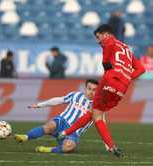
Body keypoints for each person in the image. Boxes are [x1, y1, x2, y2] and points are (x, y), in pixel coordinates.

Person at [58, 24, 145, 157]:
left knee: (96, 115)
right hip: (123, 87)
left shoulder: (109, 40)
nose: (98, 41)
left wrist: (105, 62)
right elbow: (141, 69)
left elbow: (108, 44)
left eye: (98, 37)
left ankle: (110, 146)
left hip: (110, 79)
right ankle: (65, 133)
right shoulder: (126, 48)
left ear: (106, 34)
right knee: (95, 111)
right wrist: (127, 77)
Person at [15, 79, 101, 153]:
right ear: (85, 88)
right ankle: (25, 137)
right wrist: (40, 105)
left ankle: (47, 149)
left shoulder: (98, 106)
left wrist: (107, 144)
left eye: (94, 90)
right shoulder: (76, 95)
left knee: (69, 147)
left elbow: (101, 122)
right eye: (89, 89)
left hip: (74, 132)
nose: (91, 92)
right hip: (62, 121)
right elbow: (59, 100)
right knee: (49, 126)